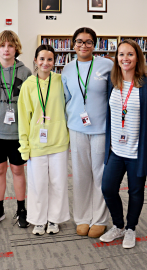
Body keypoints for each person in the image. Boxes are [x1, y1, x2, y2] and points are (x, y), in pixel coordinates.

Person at [99, 40, 147, 248]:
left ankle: (131, 228)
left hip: (137, 151)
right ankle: (118, 225)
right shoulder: (112, 81)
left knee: (135, 191)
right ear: (116, 58)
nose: (125, 58)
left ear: (138, 57)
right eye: (121, 54)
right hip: (115, 149)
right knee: (107, 188)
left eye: (130, 54)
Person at [62, 27, 113, 238]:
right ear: (73, 44)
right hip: (76, 128)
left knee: (100, 175)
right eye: (80, 41)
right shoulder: (67, 69)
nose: (84, 45)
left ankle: (99, 219)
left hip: (100, 129)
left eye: (89, 42)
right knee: (81, 175)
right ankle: (82, 218)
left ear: (95, 45)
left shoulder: (107, 65)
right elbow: (65, 99)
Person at [0, 30, 32, 229]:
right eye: (3, 45)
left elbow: (29, 102)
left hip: (18, 132)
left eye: (10, 45)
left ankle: (21, 210)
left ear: (16, 48)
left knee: (18, 170)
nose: (6, 49)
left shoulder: (26, 72)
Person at [18, 45, 70, 235]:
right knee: (37, 183)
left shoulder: (61, 81)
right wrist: (24, 146)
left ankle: (54, 219)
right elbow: (23, 118)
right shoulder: (28, 85)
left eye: (49, 59)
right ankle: (39, 220)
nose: (45, 63)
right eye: (42, 59)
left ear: (54, 61)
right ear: (35, 60)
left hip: (58, 142)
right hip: (36, 144)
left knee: (58, 183)